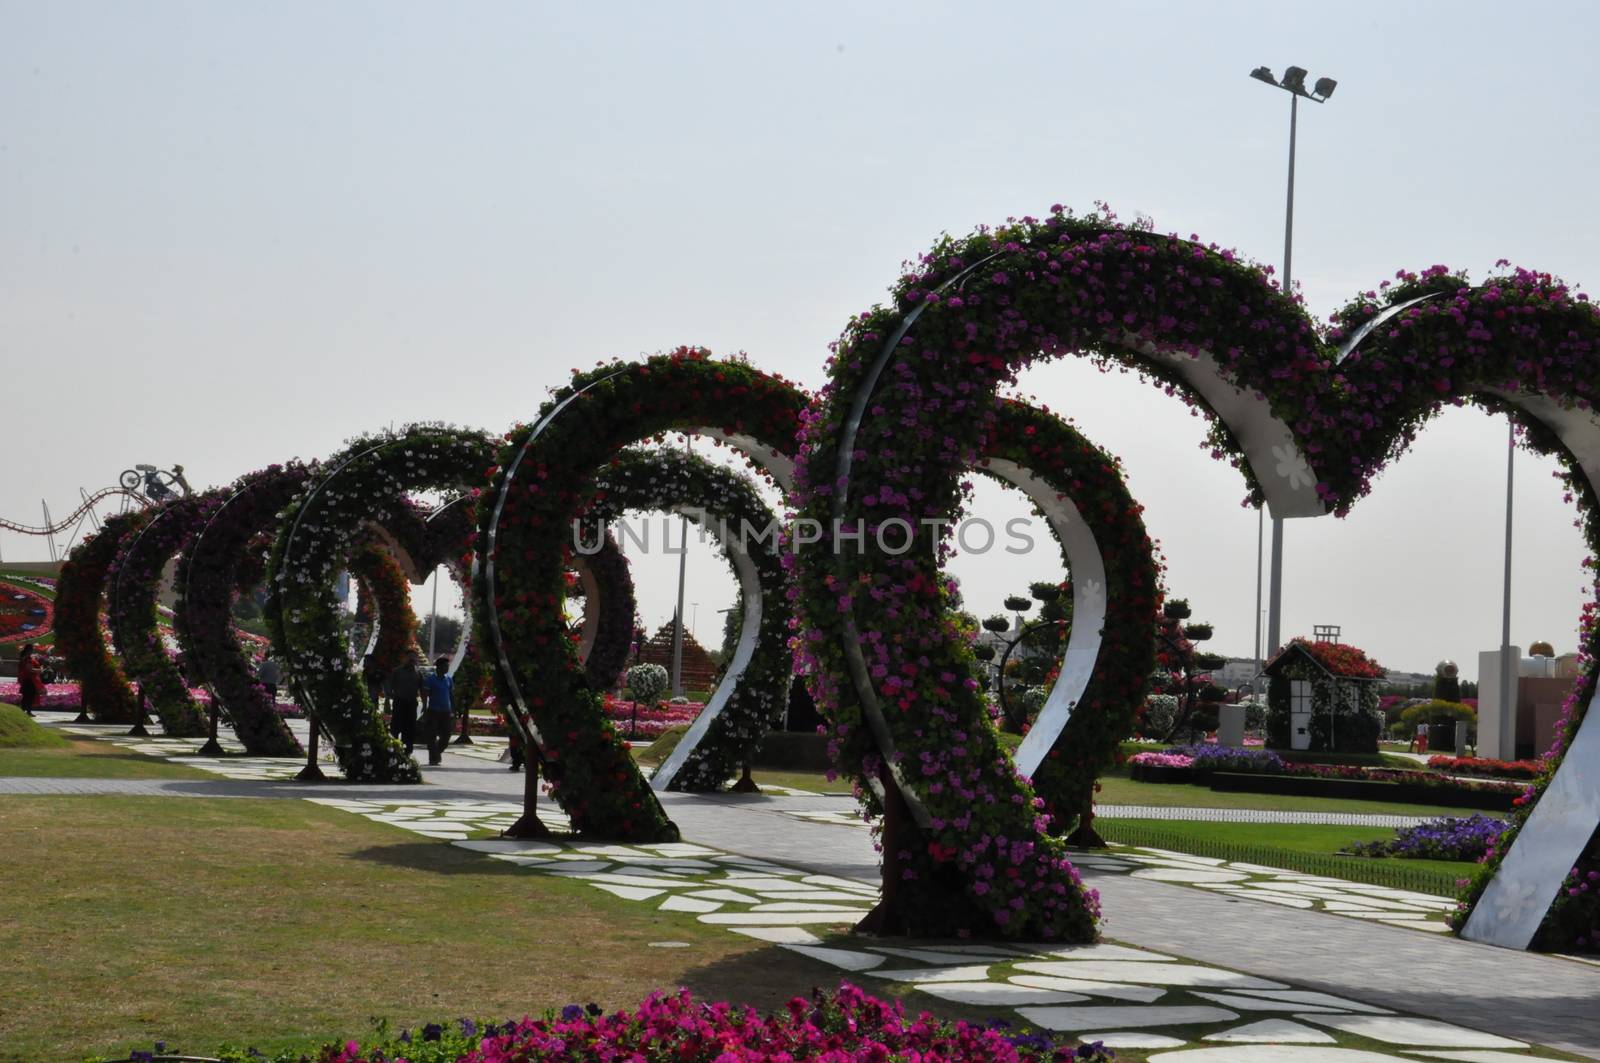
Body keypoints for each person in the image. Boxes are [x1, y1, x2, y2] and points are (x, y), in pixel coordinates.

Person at [420, 655, 455, 766]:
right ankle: (433, 757)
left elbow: (451, 694)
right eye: (445, 666)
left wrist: (454, 708)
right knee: (432, 734)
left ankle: (436, 753)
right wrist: (424, 708)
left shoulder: (448, 679)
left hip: (446, 711)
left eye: (448, 666)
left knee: (447, 735)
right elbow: (425, 695)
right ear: (438, 667)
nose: (447, 668)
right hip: (434, 711)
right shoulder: (430, 679)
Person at [386, 652, 423, 756]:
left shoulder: (418, 673)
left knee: (410, 726)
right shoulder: (397, 671)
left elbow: (422, 688)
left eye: (414, 660)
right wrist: (390, 696)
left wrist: (424, 703)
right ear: (405, 659)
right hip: (399, 702)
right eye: (410, 659)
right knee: (396, 726)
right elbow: (390, 685)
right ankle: (394, 747)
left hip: (411, 703)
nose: (412, 661)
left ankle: (408, 748)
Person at [17, 643, 44, 717]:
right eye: (32, 649)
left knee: (27, 696)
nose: (33, 651)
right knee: (29, 696)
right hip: (29, 680)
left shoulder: (26, 657)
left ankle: (26, 711)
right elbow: (29, 669)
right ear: (29, 650)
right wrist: (40, 670)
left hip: (28, 679)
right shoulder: (27, 658)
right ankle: (26, 711)